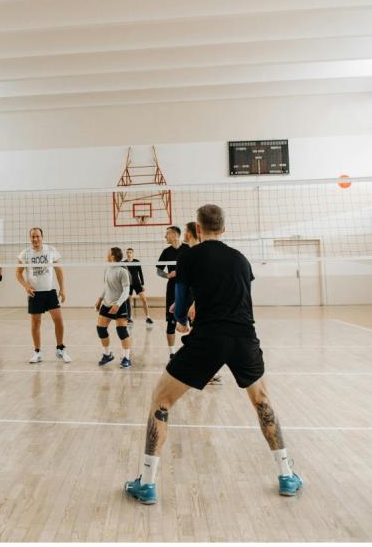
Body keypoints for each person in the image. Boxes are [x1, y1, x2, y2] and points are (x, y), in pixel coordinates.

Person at [124, 204, 303, 505]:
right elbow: (239, 300)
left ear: (198, 226)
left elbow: (180, 304)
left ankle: (146, 482)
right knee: (262, 401)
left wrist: (182, 319)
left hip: (208, 338)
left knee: (161, 401)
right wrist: (201, 308)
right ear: (224, 228)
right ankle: (286, 475)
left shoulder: (189, 255)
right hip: (244, 337)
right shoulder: (241, 260)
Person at [15, 227, 69, 364]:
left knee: (59, 320)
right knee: (35, 323)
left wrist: (62, 289)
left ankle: (60, 349)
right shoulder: (25, 253)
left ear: (42, 237)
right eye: (32, 237)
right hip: (35, 293)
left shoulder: (50, 250)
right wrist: (26, 286)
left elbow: (59, 271)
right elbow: (18, 273)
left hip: (50, 291)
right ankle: (37, 352)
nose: (35, 239)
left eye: (37, 236)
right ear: (30, 238)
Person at [179, 221, 221, 386]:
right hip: (195, 302)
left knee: (204, 338)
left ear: (190, 233)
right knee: (199, 338)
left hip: (203, 304)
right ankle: (206, 372)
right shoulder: (190, 253)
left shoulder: (201, 254)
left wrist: (195, 304)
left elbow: (209, 284)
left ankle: (211, 373)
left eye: (184, 231)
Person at [156, 226, 189, 361]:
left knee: (193, 320)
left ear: (175, 235)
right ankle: (172, 354)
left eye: (167, 234)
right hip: (172, 289)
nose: (165, 237)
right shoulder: (166, 252)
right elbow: (159, 271)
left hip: (188, 289)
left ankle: (193, 351)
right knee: (171, 322)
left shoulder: (188, 249)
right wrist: (167, 275)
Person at [96, 247, 132, 368]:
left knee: (122, 331)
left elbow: (126, 291)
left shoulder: (122, 271)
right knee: (101, 329)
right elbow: (107, 288)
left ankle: (127, 357)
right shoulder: (107, 269)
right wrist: (100, 299)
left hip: (120, 305)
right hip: (106, 304)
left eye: (108, 253)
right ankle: (107, 354)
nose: (106, 254)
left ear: (112, 256)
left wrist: (117, 305)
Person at [124, 248, 154, 330]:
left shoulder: (137, 262)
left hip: (137, 283)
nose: (129, 254)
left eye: (130, 252)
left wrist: (142, 284)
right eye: (127, 253)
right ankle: (129, 317)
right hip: (128, 284)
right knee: (128, 301)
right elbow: (122, 274)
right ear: (126, 254)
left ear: (133, 254)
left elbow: (140, 273)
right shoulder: (124, 263)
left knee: (144, 300)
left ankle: (147, 317)